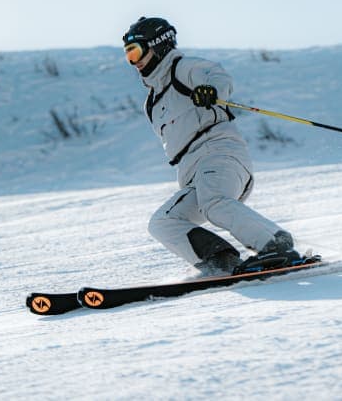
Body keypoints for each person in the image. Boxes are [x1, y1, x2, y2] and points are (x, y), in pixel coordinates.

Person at [122, 16, 299, 275]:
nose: (134, 61)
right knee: (163, 222)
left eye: (136, 51)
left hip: (220, 155)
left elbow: (217, 75)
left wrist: (211, 91)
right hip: (193, 175)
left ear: (157, 44)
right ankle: (220, 261)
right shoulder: (152, 102)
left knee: (214, 201)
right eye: (128, 56)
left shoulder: (182, 68)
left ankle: (276, 243)